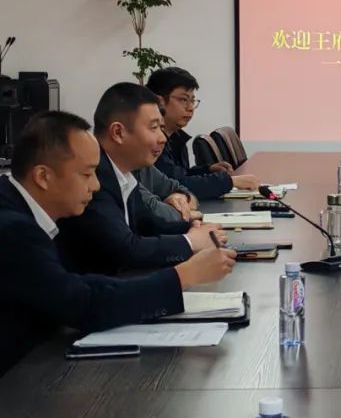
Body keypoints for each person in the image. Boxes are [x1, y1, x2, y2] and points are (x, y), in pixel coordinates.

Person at [0, 111, 236, 374]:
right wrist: (182, 276)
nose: (96, 185)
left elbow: (77, 283)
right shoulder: (14, 230)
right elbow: (82, 303)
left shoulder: (22, 206)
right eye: (87, 174)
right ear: (43, 176)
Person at [56, 83, 226, 276]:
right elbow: (126, 250)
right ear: (118, 133)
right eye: (154, 128)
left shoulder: (123, 173)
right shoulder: (95, 176)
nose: (163, 138)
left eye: (161, 128)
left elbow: (148, 223)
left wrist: (194, 229)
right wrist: (190, 241)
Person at [146, 67, 258, 200]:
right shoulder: (151, 143)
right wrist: (229, 182)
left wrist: (207, 170)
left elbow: (179, 174)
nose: (190, 108)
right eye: (183, 100)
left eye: (192, 101)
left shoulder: (177, 137)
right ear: (159, 102)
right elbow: (175, 186)